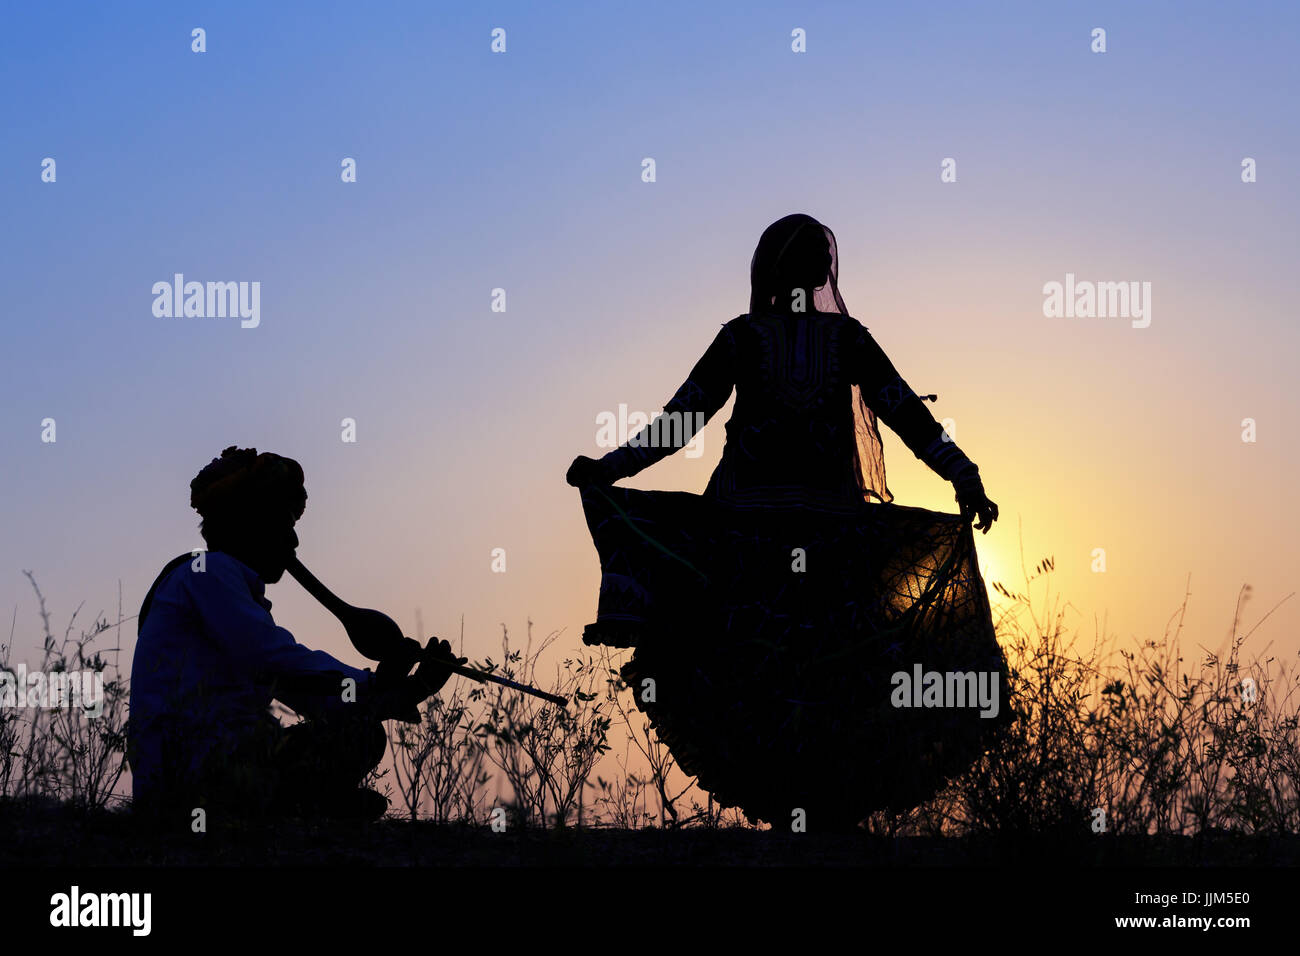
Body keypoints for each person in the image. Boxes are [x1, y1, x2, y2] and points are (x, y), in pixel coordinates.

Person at [566, 214, 1007, 827]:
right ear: (822, 270)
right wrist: (963, 474)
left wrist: (610, 467)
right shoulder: (835, 339)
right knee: (838, 672)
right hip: (829, 542)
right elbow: (908, 415)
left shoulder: (746, 338)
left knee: (756, 670)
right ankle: (820, 812)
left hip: (750, 544)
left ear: (767, 272)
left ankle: (796, 811)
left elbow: (682, 419)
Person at [128, 446, 457, 823]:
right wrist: (378, 685)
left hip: (200, 769)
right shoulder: (208, 574)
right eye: (285, 524)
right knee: (359, 738)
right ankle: (300, 810)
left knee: (357, 734)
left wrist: (400, 691)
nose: (295, 542)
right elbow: (279, 665)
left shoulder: (216, 581)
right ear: (248, 521)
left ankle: (299, 808)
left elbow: (302, 691)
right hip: (191, 776)